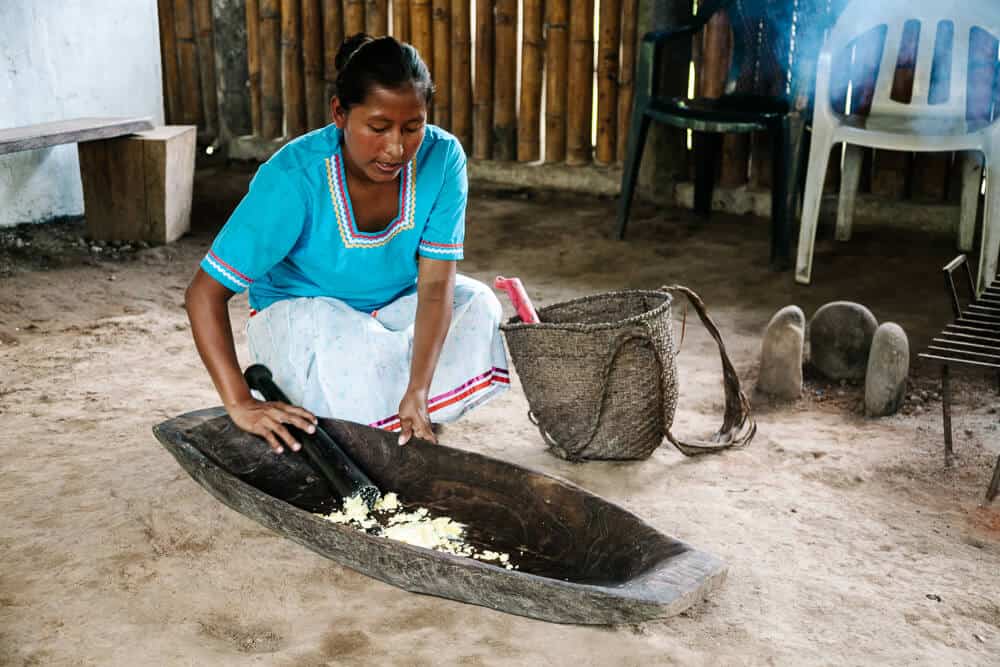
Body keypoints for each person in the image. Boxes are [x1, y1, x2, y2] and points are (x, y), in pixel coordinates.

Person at [184, 33, 509, 455]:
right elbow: (203, 295)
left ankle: (401, 409)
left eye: (413, 127)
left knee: (477, 302)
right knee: (343, 338)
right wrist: (240, 402)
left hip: (388, 312)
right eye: (378, 127)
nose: (397, 148)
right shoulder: (294, 177)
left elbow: (433, 287)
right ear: (340, 113)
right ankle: (359, 411)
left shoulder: (442, 157)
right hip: (307, 325)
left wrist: (418, 386)